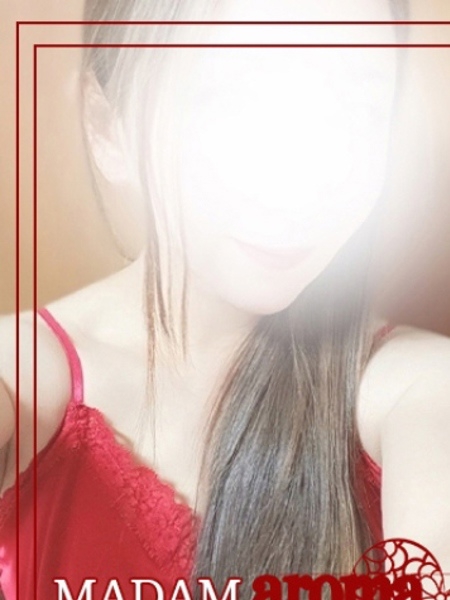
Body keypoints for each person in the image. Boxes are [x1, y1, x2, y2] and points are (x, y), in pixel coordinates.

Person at [1, 0, 450, 598]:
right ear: (108, 128)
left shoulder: (417, 391)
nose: (298, 179)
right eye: (230, 103)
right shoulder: (24, 381)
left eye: (356, 111)